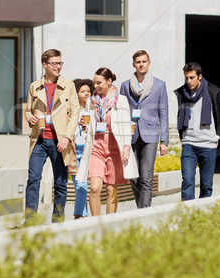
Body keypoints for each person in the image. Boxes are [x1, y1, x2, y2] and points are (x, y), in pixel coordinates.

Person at [25, 49, 80, 223]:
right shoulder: (35, 86)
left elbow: (75, 112)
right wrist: (30, 118)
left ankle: (57, 221)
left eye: (60, 63)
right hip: (39, 140)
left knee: (60, 183)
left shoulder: (68, 85)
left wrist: (67, 137)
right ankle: (30, 219)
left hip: (60, 141)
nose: (58, 67)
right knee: (33, 179)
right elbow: (28, 110)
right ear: (44, 65)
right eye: (54, 63)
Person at [75, 68, 138, 216]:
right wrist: (84, 127)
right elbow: (88, 125)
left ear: (109, 81)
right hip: (96, 146)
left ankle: (110, 224)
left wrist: (127, 147)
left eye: (99, 83)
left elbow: (125, 125)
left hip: (114, 148)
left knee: (111, 189)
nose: (95, 86)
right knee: (95, 188)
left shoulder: (120, 100)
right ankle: (95, 223)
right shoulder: (91, 101)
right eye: (94, 82)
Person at [174, 62, 220, 201]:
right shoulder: (183, 93)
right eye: (186, 78)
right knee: (187, 181)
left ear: (200, 76)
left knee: (206, 185)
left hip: (208, 145)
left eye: (192, 77)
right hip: (189, 144)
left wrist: (217, 136)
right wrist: (183, 138)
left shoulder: (213, 91)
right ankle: (188, 214)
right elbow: (180, 117)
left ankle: (202, 215)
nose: (189, 81)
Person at [120, 50, 169, 209]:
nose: (141, 64)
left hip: (151, 135)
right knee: (133, 176)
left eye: (144, 61)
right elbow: (121, 112)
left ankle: (143, 211)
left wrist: (165, 141)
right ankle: (141, 207)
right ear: (133, 64)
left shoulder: (159, 85)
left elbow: (164, 113)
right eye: (138, 62)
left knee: (146, 176)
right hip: (131, 135)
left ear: (149, 63)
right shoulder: (125, 86)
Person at [67, 79, 94, 219]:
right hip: (73, 151)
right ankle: (81, 215)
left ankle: (79, 215)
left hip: (87, 151)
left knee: (82, 185)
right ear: (76, 93)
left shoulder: (93, 109)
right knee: (79, 186)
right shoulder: (72, 110)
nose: (86, 94)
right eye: (82, 91)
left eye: (88, 91)